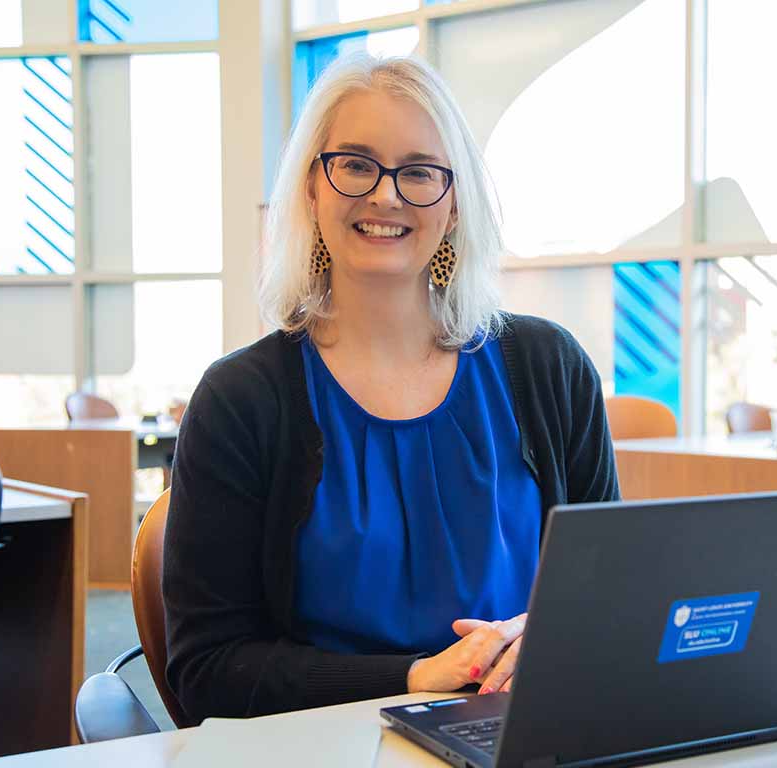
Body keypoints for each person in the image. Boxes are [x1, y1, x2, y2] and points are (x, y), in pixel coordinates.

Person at [163, 55, 619, 723]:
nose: (386, 195)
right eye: (354, 163)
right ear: (311, 189)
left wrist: (540, 639)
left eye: (419, 171)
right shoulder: (242, 400)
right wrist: (416, 677)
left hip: (524, 732)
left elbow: (610, 593)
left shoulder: (549, 367)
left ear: (454, 201)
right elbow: (209, 668)